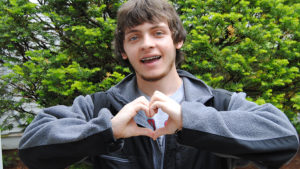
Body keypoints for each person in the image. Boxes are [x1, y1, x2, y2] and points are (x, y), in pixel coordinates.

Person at [19, 0, 299, 169]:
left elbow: (283, 139)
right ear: (124, 52)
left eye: (158, 33)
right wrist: (109, 129)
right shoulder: (99, 107)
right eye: (134, 37)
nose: (147, 44)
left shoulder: (220, 103)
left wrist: (189, 120)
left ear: (177, 41)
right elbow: (33, 147)